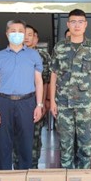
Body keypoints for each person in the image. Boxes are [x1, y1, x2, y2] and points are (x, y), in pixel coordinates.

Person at [50, 9, 91, 169]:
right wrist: (52, 101)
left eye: (80, 22)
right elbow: (54, 75)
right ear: (68, 24)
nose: (77, 25)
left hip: (85, 104)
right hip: (63, 103)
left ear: (85, 24)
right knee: (65, 144)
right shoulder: (60, 47)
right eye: (73, 22)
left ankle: (83, 177)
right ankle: (67, 176)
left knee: (85, 144)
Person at [0, 20, 44, 170]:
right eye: (13, 31)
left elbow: (38, 82)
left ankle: (24, 174)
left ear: (25, 34)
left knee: (25, 142)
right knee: (4, 143)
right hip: (4, 102)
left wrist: (39, 105)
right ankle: (4, 176)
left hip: (27, 102)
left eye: (20, 31)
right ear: (7, 34)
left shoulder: (33, 55)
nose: (16, 34)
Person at [25, 25, 51, 168]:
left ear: (36, 38)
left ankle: (34, 166)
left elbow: (46, 81)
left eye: (30, 35)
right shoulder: (12, 54)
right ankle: (19, 168)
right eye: (24, 34)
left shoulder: (43, 56)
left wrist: (44, 101)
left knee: (35, 137)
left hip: (36, 102)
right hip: (17, 102)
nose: (26, 38)